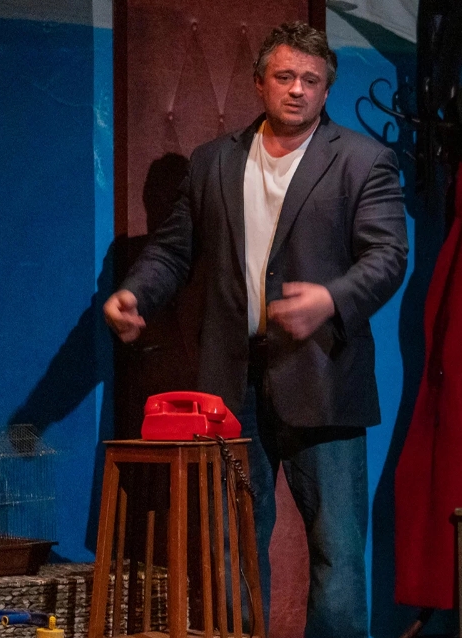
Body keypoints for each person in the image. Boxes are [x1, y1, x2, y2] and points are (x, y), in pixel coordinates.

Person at [102, 21, 408, 638]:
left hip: (322, 377)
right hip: (231, 380)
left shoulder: (362, 160)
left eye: (311, 80)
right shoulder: (213, 161)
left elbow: (387, 257)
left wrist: (330, 299)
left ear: (327, 90)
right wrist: (135, 294)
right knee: (230, 545)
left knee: (337, 551)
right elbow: (173, 251)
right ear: (259, 82)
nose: (297, 89)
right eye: (285, 76)